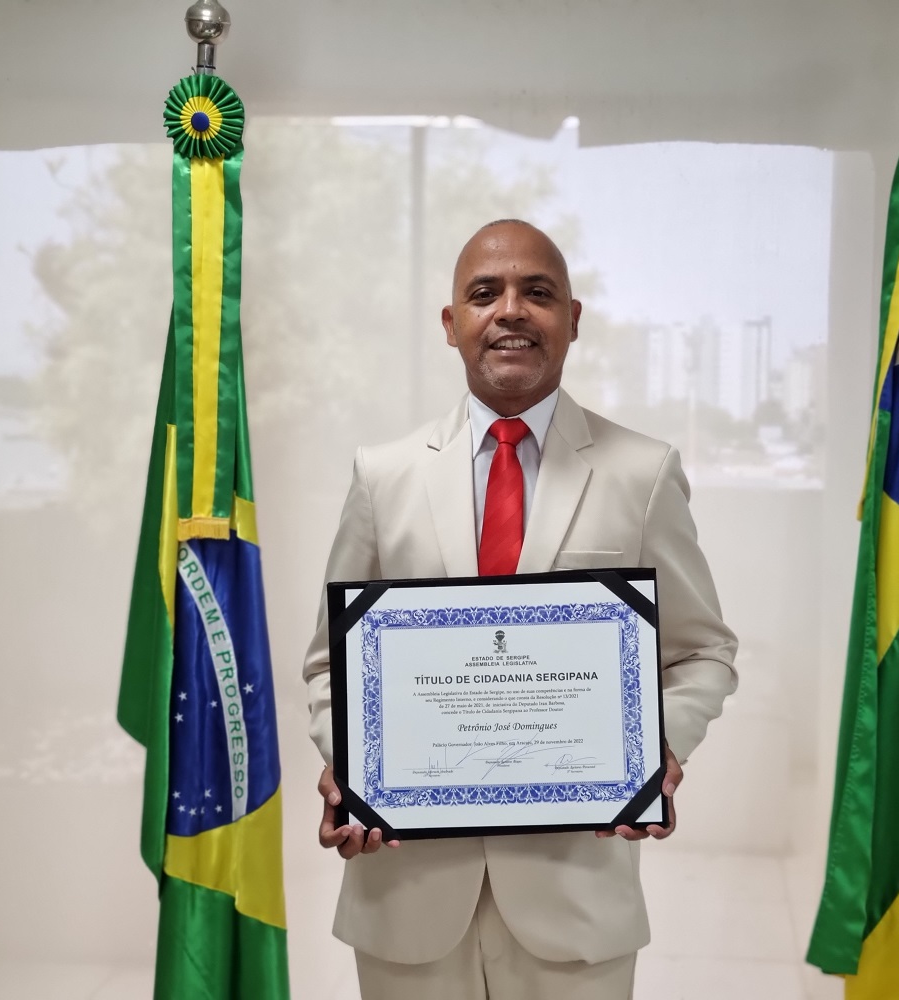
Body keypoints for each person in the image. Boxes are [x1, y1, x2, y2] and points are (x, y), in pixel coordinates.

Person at [302, 220, 737, 1000]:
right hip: (406, 895)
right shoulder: (383, 475)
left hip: (574, 902)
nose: (510, 310)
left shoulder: (643, 472)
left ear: (571, 319)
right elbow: (330, 665)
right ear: (451, 325)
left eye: (537, 293)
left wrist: (649, 748)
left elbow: (700, 651)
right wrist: (357, 765)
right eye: (484, 294)